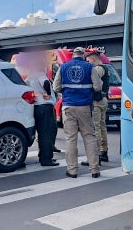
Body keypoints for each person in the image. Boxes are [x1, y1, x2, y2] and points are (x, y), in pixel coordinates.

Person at [53, 46, 102, 178]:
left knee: (70, 139)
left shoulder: (63, 67)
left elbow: (56, 87)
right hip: (84, 106)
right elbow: (98, 87)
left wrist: (67, 91)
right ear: (83, 55)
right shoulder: (89, 67)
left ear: (73, 55)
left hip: (68, 106)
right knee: (89, 137)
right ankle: (94, 170)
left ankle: (72, 170)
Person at [26, 55, 58, 167]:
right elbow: (45, 83)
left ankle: (42, 156)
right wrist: (48, 93)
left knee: (40, 133)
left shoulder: (29, 76)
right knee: (46, 134)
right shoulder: (40, 74)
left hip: (36, 106)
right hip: (45, 106)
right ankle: (46, 159)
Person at [83, 49, 110, 164]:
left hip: (97, 101)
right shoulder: (105, 67)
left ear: (93, 59)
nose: (88, 63)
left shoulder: (98, 69)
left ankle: (96, 155)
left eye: (88, 60)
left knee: (96, 128)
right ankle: (103, 152)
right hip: (103, 100)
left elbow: (92, 81)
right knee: (102, 126)